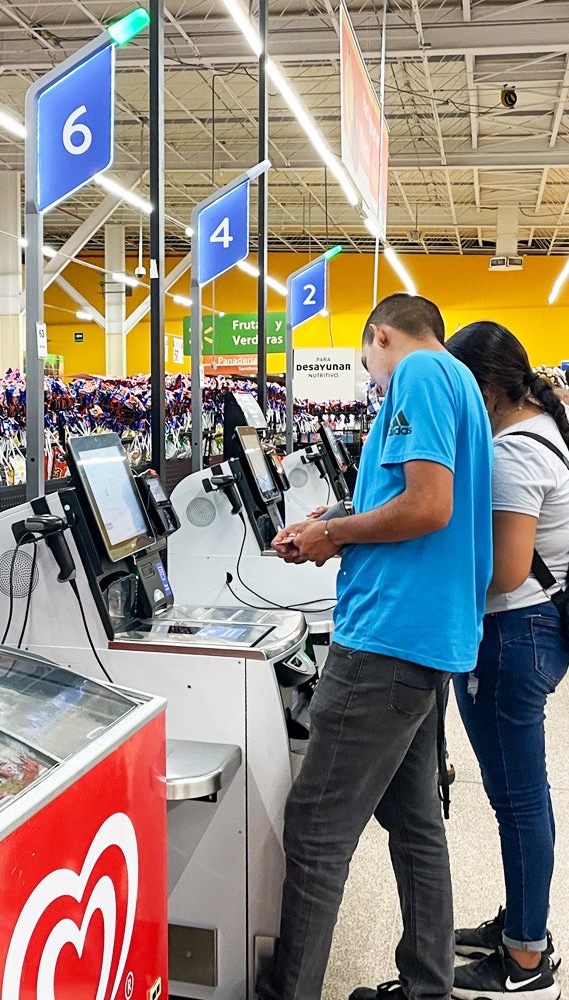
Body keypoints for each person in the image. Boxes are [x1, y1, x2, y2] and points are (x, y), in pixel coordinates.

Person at [264, 293, 494, 1000]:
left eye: (369, 365)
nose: (372, 379)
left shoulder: (418, 375)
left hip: (385, 640)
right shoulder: (461, 386)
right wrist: (332, 521)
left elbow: (428, 506)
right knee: (414, 819)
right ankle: (429, 985)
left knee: (315, 831)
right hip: (428, 640)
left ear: (380, 336)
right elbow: (414, 500)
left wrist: (333, 535)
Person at [446, 321, 569, 999]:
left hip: (514, 633)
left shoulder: (513, 454)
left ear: (489, 388)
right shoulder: (544, 429)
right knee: (524, 798)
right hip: (539, 630)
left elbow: (504, 569)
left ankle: (525, 962)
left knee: (519, 801)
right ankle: (524, 926)